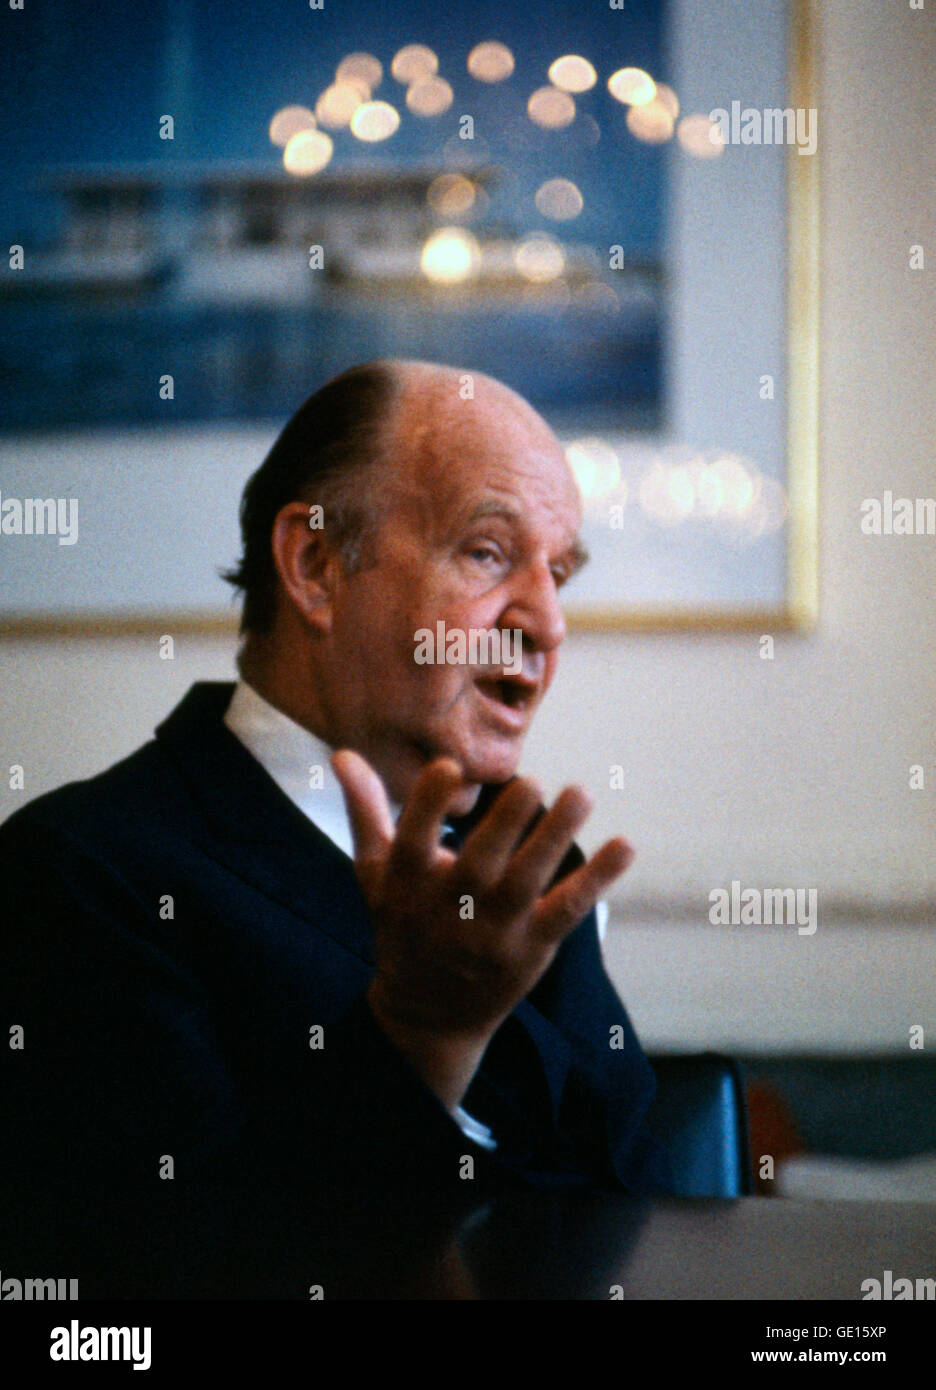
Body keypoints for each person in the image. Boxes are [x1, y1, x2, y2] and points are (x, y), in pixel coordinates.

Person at [0, 360, 671, 1288]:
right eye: (486, 552)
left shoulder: (532, 871)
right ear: (316, 564)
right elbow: (151, 1288)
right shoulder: (77, 872)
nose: (549, 623)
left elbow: (630, 1209)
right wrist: (424, 1034)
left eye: (558, 574)